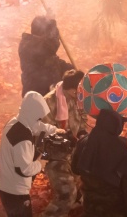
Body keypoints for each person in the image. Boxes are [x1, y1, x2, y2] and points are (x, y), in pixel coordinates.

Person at [0, 91, 62, 217]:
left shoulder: (16, 122)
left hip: (5, 183)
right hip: (15, 191)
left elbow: (37, 126)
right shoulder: (23, 139)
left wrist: (54, 130)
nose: (39, 120)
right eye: (38, 117)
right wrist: (40, 164)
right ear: (32, 115)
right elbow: (25, 169)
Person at [41, 70, 86, 217]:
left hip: (74, 152)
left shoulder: (79, 98)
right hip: (55, 156)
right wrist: (65, 137)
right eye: (78, 91)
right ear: (72, 90)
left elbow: (83, 120)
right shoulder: (49, 102)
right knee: (66, 195)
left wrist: (81, 133)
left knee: (83, 188)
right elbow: (43, 132)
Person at [71, 109, 127, 217]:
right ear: (115, 125)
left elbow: (75, 169)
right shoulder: (120, 146)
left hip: (90, 202)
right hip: (114, 205)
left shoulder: (83, 141)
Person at [19, 16, 73, 97]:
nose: (55, 38)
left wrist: (71, 70)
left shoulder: (41, 47)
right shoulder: (31, 46)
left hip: (49, 93)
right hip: (38, 97)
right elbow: (51, 46)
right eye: (50, 33)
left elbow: (53, 62)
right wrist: (53, 27)